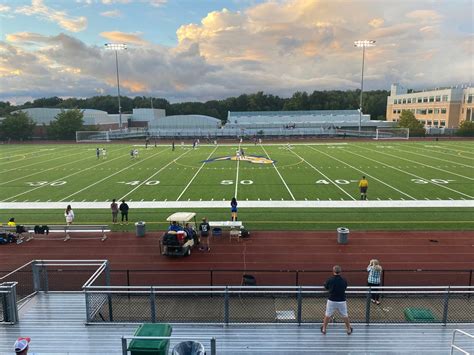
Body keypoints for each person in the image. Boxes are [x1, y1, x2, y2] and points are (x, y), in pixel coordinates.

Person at [321, 265, 352, 335]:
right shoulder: (344, 280)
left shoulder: (330, 279)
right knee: (345, 315)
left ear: (333, 271)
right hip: (342, 300)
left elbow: (326, 286)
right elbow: (345, 287)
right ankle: (349, 329)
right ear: (340, 272)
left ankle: (324, 329)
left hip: (332, 300)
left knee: (327, 315)